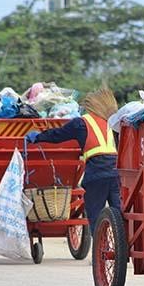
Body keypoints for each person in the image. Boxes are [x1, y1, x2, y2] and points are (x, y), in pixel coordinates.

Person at [26, 88, 120, 235]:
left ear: (90, 107)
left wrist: (37, 137)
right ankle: (122, 248)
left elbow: (57, 135)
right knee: (121, 216)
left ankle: (100, 252)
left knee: (95, 218)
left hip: (96, 174)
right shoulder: (114, 124)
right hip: (117, 174)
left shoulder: (81, 123)